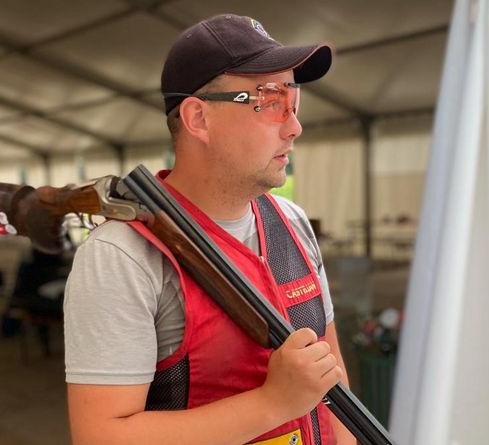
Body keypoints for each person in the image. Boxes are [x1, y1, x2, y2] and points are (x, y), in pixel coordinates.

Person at [64, 13, 355, 445]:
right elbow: (101, 437)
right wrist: (273, 403)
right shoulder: (120, 256)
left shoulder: (292, 222)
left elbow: (332, 378)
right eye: (271, 100)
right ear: (198, 118)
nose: (294, 126)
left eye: (294, 101)